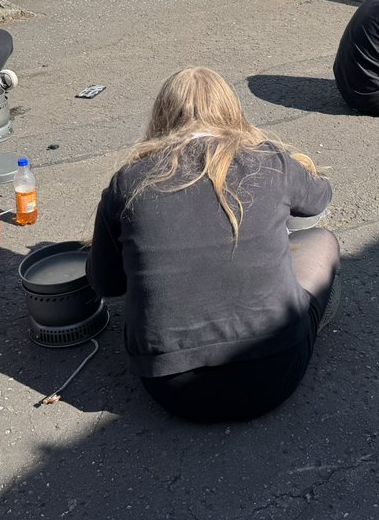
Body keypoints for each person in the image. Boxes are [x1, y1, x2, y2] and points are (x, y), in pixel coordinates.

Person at [86, 67, 341, 422]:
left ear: (161, 117)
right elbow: (319, 199)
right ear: (232, 111)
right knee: (323, 241)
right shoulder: (269, 161)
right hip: (273, 375)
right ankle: (308, 321)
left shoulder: (128, 182)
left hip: (170, 387)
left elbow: (106, 284)